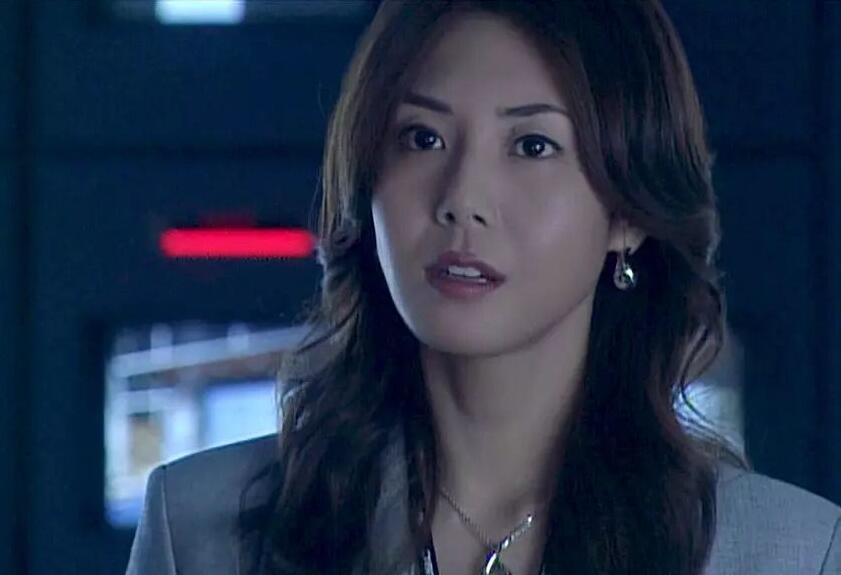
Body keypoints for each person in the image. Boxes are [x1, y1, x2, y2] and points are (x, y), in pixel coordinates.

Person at [125, 1, 841, 574]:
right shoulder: (202, 530)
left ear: (627, 212)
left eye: (532, 146)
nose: (462, 199)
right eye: (422, 138)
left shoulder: (790, 552)